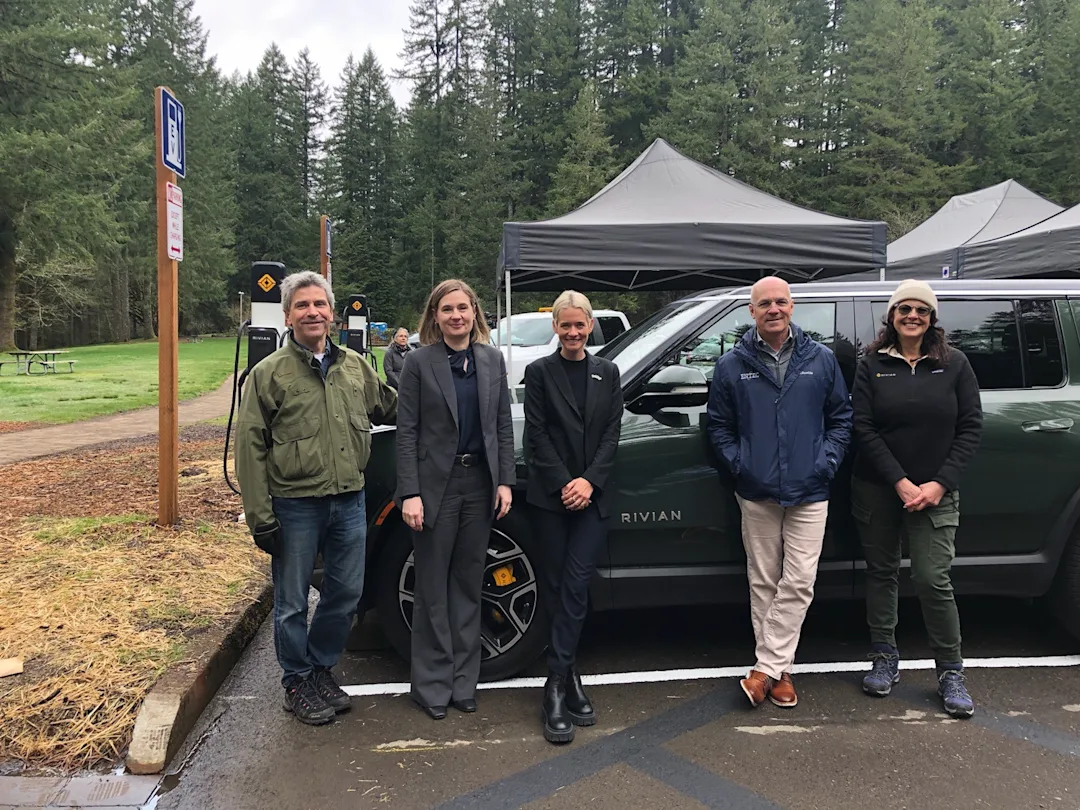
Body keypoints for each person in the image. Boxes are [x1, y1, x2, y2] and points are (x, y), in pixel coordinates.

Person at [235, 271, 398, 725]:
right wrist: (260, 518)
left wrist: (442, 391)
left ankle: (321, 668)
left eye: (319, 305)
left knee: (345, 593)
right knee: (290, 602)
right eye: (302, 305)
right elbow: (249, 446)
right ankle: (296, 682)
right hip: (294, 506)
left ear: (333, 313)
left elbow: (391, 406)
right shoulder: (268, 375)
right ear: (288, 315)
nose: (312, 312)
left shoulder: (353, 367)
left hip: (349, 501)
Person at [707, 276, 852, 709]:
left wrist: (826, 461)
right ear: (751, 312)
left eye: (781, 302)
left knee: (800, 580)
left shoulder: (821, 359)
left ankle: (765, 667)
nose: (774, 308)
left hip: (811, 486)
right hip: (757, 489)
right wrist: (740, 464)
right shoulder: (732, 365)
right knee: (764, 580)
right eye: (764, 303)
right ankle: (782, 672)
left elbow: (841, 418)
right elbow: (719, 426)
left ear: (792, 307)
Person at [851, 279, 982, 718]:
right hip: (878, 486)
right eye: (904, 309)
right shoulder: (871, 363)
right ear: (891, 316)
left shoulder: (956, 364)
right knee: (882, 572)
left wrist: (939, 483)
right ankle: (884, 657)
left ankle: (949, 670)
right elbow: (862, 427)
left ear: (932, 318)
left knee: (931, 578)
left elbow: (970, 428)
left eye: (921, 310)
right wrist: (899, 481)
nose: (912, 316)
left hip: (936, 491)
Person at [394, 279, 515, 720]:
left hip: (479, 486)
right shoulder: (418, 363)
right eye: (447, 309)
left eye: (463, 308)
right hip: (433, 489)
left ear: (474, 313)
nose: (456, 316)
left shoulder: (491, 360)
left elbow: (502, 426)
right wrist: (410, 492)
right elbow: (405, 433)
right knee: (431, 589)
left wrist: (505, 481)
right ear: (435, 316)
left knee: (468, 585)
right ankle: (432, 687)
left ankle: (465, 683)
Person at [524, 291, 622, 745]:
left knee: (578, 585)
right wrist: (567, 481)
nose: (573, 333)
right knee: (558, 586)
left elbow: (611, 434)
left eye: (579, 325)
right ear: (556, 328)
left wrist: (589, 482)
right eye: (565, 326)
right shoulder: (540, 372)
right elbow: (537, 434)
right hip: (552, 499)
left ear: (589, 325)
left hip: (592, 499)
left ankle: (556, 685)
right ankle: (569, 678)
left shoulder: (609, 372)